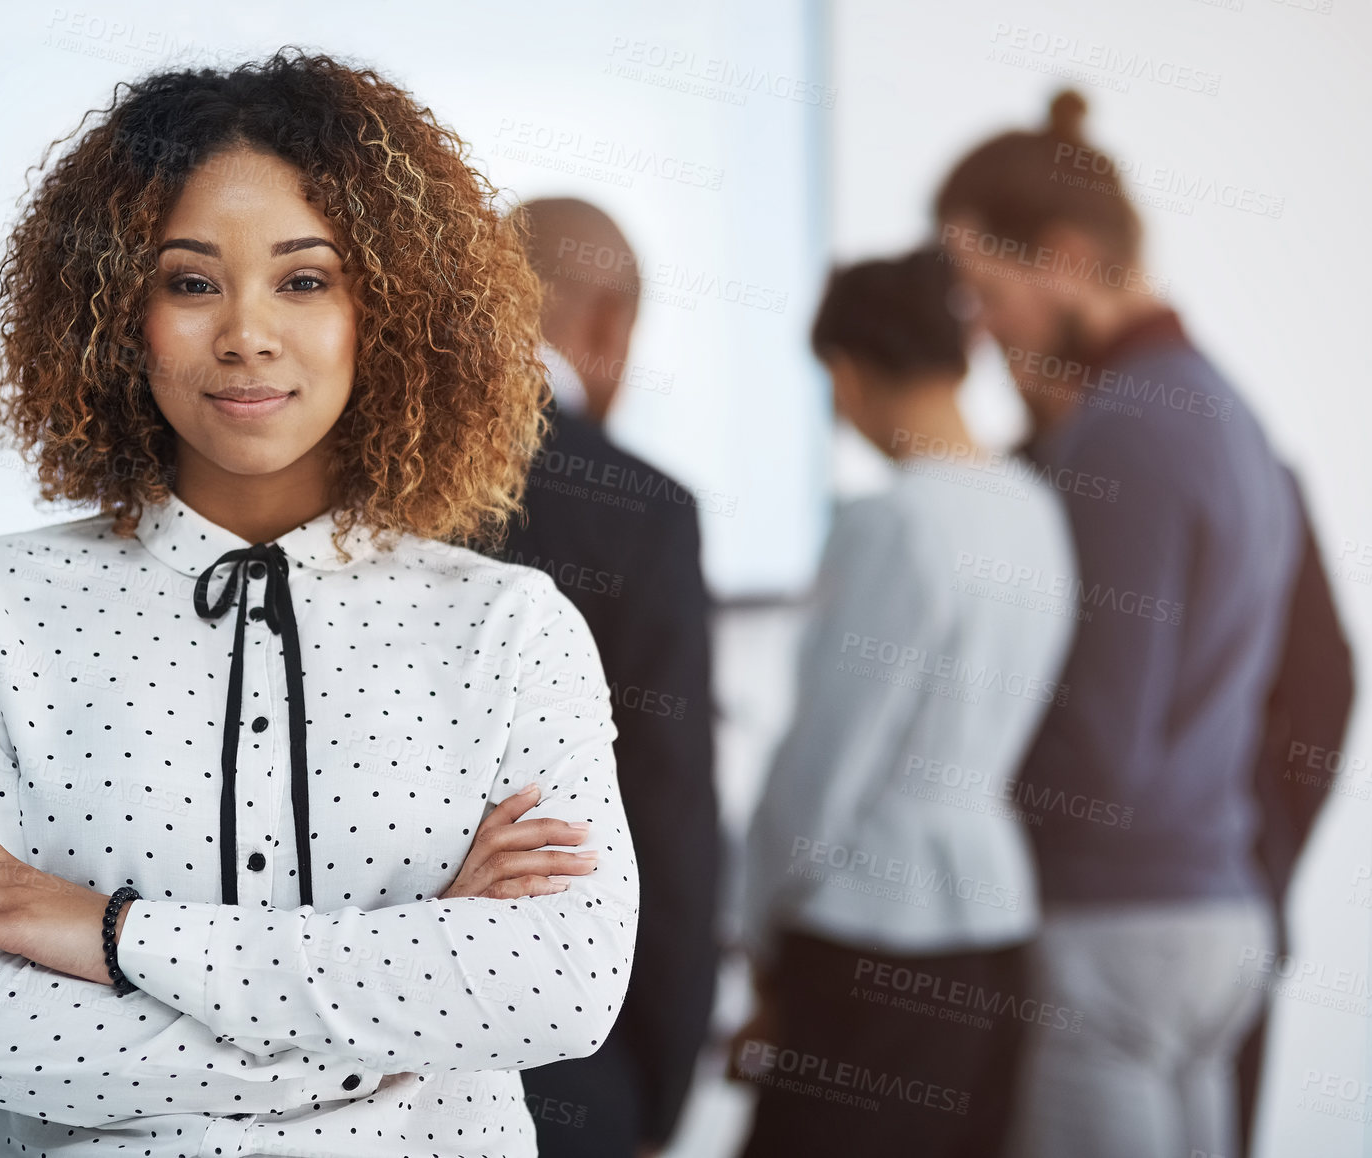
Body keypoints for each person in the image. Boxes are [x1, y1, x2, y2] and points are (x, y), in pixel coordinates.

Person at [0, 49, 639, 1158]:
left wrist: (109, 934)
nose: (245, 334)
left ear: (391, 307)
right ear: (114, 311)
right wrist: (401, 1011)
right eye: (189, 281)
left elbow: (558, 991)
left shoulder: (510, 624)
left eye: (304, 279)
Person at [933, 90, 1302, 1158]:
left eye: (986, 291)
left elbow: (1097, 742)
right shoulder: (1220, 407)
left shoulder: (1121, 435)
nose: (984, 328)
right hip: (1216, 917)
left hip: (1113, 930)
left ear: (1060, 255)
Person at [732, 245, 1077, 1158]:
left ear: (845, 372)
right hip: (995, 922)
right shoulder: (1031, 506)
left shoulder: (895, 521)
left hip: (868, 938)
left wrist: (758, 928)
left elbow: (828, 762)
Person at [497, 198, 720, 1158]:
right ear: (607, 324)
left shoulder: (356, 480)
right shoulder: (647, 514)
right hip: (571, 1055)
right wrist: (663, 1081)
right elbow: (668, 820)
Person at [1235, 467, 1355, 1150]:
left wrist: (1268, 846)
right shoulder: (1253, 475)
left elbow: (1322, 687)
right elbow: (1325, 684)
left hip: (1215, 895)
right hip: (1234, 897)